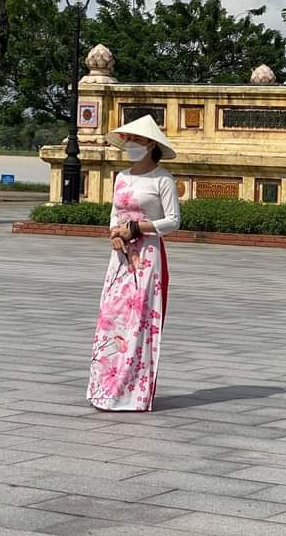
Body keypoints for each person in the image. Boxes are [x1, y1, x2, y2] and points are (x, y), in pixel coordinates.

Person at [87, 114, 180, 411]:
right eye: (128, 140)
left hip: (147, 257)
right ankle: (104, 387)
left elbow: (173, 221)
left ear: (151, 144)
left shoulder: (162, 179)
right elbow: (114, 214)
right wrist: (115, 234)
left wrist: (139, 228)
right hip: (120, 257)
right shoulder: (122, 177)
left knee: (139, 320)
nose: (130, 145)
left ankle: (133, 392)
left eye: (136, 140)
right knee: (111, 316)